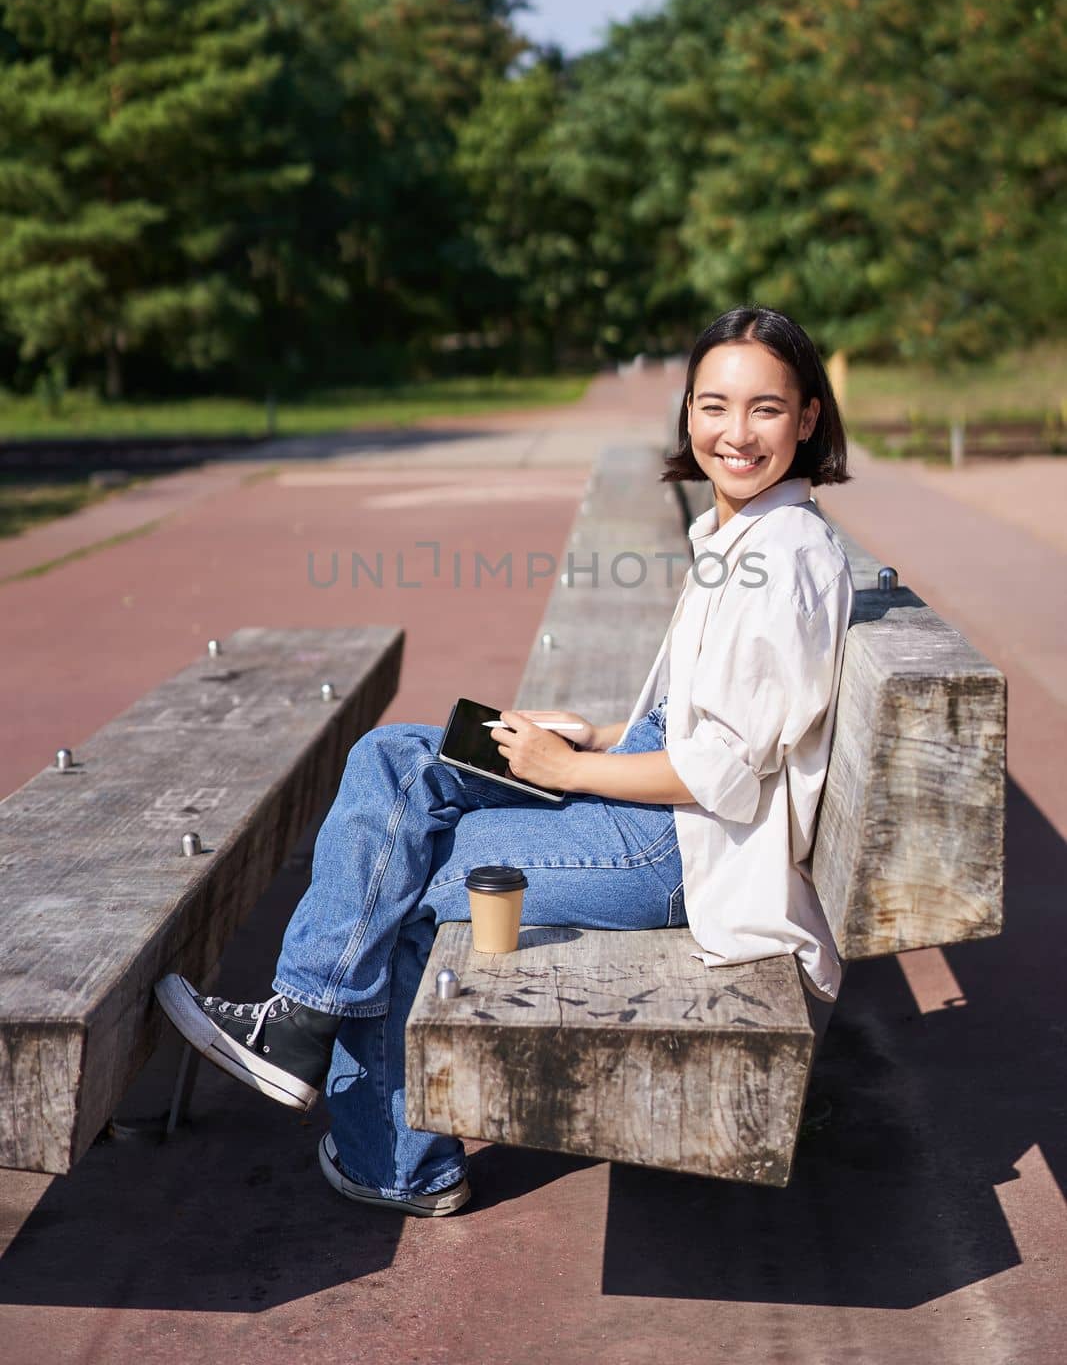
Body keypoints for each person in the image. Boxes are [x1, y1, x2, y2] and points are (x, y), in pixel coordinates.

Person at [155, 305, 854, 1217]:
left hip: (677, 845)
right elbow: (709, 720)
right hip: (644, 789)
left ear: (806, 418)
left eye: (765, 409)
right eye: (713, 405)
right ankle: (308, 1024)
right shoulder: (752, 535)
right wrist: (595, 734)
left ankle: (386, 1149)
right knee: (397, 756)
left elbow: (722, 774)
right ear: (686, 411)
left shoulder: (783, 558)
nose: (735, 432)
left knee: (398, 877)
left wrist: (566, 771)